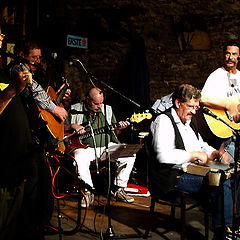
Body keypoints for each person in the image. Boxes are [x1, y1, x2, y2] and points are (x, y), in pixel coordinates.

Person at [149, 84, 238, 240]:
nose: (194, 111)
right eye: (190, 106)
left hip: (191, 170)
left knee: (235, 177)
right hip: (172, 177)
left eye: (196, 107)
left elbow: (201, 144)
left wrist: (215, 153)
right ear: (178, 103)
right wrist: (193, 155)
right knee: (222, 183)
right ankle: (225, 234)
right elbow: (163, 155)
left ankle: (230, 229)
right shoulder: (163, 121)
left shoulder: (190, 121)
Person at [7, 38, 69, 236]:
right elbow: (36, 94)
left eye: (39, 57)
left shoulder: (33, 72)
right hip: (22, 138)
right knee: (33, 186)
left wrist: (58, 99)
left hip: (35, 139)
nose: (37, 61)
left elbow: (44, 95)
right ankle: (29, 227)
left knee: (43, 184)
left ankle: (40, 223)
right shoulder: (16, 69)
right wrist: (55, 108)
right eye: (33, 57)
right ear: (22, 55)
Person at [64, 87, 136, 207]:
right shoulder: (74, 109)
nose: (99, 106)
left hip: (106, 147)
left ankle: (118, 188)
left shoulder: (107, 110)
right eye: (96, 103)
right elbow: (60, 127)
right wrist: (72, 125)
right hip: (84, 149)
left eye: (101, 103)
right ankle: (88, 191)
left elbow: (116, 132)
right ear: (88, 100)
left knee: (129, 153)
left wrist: (120, 128)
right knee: (79, 158)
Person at [0, 67, 42, 240]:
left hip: (19, 165)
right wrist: (12, 90)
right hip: (2, 168)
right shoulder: (10, 85)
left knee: (14, 227)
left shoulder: (4, 74)